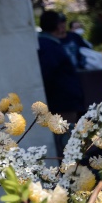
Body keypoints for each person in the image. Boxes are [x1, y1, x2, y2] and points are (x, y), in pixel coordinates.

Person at [37, 10, 85, 155]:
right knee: (67, 139)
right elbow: (48, 73)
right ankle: (72, 171)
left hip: (63, 99)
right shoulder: (49, 46)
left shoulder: (47, 44)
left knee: (67, 136)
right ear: (58, 26)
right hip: (63, 100)